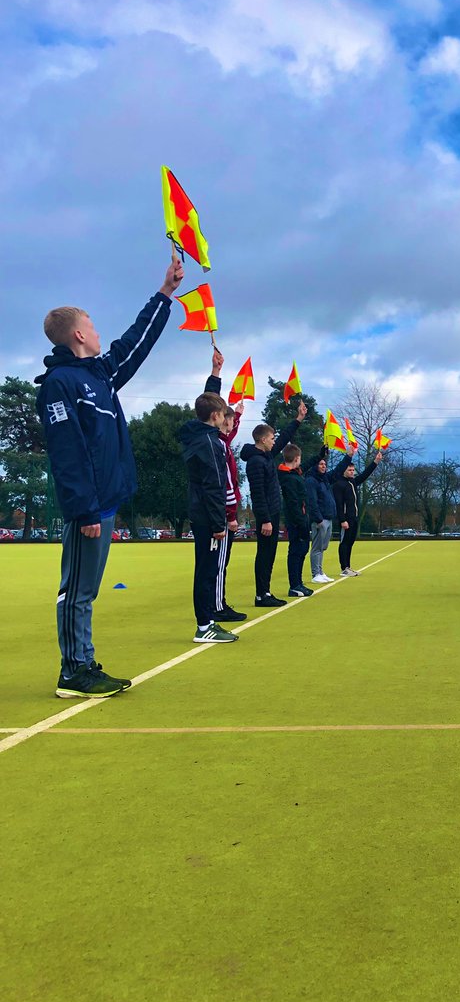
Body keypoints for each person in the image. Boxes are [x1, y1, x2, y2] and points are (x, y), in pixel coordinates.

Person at [37, 255, 184, 699]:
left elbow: (134, 343)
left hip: (105, 501)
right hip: (89, 507)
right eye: (94, 326)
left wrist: (165, 294)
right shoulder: (60, 383)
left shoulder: (99, 375)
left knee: (88, 590)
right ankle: (74, 671)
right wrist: (83, 509)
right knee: (77, 590)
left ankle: (84, 661)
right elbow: (68, 455)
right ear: (79, 334)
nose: (100, 333)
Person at [179, 392, 239, 644]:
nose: (226, 418)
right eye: (223, 413)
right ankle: (204, 625)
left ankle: (208, 622)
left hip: (200, 513)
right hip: (207, 517)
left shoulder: (193, 434)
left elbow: (206, 401)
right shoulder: (210, 443)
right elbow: (214, 485)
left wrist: (215, 376)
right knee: (206, 571)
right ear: (215, 416)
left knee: (206, 569)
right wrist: (218, 524)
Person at [240, 401, 307, 606]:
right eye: (271, 438)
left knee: (270, 553)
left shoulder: (266, 455)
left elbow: (285, 437)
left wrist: (298, 419)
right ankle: (261, 594)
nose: (274, 441)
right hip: (266, 515)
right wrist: (265, 520)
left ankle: (266, 592)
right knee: (264, 553)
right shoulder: (255, 461)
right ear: (261, 439)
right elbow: (257, 493)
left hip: (273, 512)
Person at [203, 347, 246, 623]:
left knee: (220, 564)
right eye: (228, 420)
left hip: (222, 513)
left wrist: (238, 415)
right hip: (217, 515)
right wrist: (229, 517)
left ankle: (218, 603)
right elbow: (207, 404)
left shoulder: (222, 443)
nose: (230, 425)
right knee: (216, 565)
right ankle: (216, 607)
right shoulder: (210, 440)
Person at [305, 445, 352, 583]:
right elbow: (312, 501)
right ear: (315, 465)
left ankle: (320, 571)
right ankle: (315, 574)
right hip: (320, 520)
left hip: (328, 518)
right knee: (317, 547)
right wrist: (318, 518)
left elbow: (337, 471)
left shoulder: (325, 479)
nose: (323, 466)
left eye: (325, 464)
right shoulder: (311, 481)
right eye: (320, 463)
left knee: (323, 547)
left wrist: (348, 456)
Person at [333, 450, 384, 575]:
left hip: (354, 517)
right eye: (349, 470)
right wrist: (342, 520)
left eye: (353, 470)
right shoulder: (339, 484)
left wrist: (375, 462)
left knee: (350, 542)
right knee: (344, 543)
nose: (352, 472)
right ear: (344, 470)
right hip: (346, 519)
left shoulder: (353, 482)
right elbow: (339, 504)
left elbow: (365, 475)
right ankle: (344, 568)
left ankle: (348, 566)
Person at [277, 443, 314, 598]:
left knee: (302, 550)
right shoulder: (288, 478)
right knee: (295, 552)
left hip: (301, 519)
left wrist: (319, 455)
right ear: (297, 458)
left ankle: (298, 583)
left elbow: (305, 466)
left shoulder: (295, 473)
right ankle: (294, 585)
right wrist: (301, 523)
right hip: (296, 521)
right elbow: (293, 503)